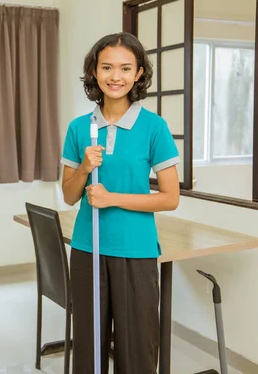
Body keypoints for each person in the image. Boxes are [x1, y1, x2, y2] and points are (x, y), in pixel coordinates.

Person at [61, 32, 180, 373]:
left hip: (136, 250)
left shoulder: (154, 127)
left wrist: (111, 198)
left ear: (139, 73)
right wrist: (84, 167)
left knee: (137, 349)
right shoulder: (79, 128)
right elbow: (69, 196)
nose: (116, 77)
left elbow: (170, 198)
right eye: (107, 67)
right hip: (88, 248)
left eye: (126, 68)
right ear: (94, 72)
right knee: (88, 347)